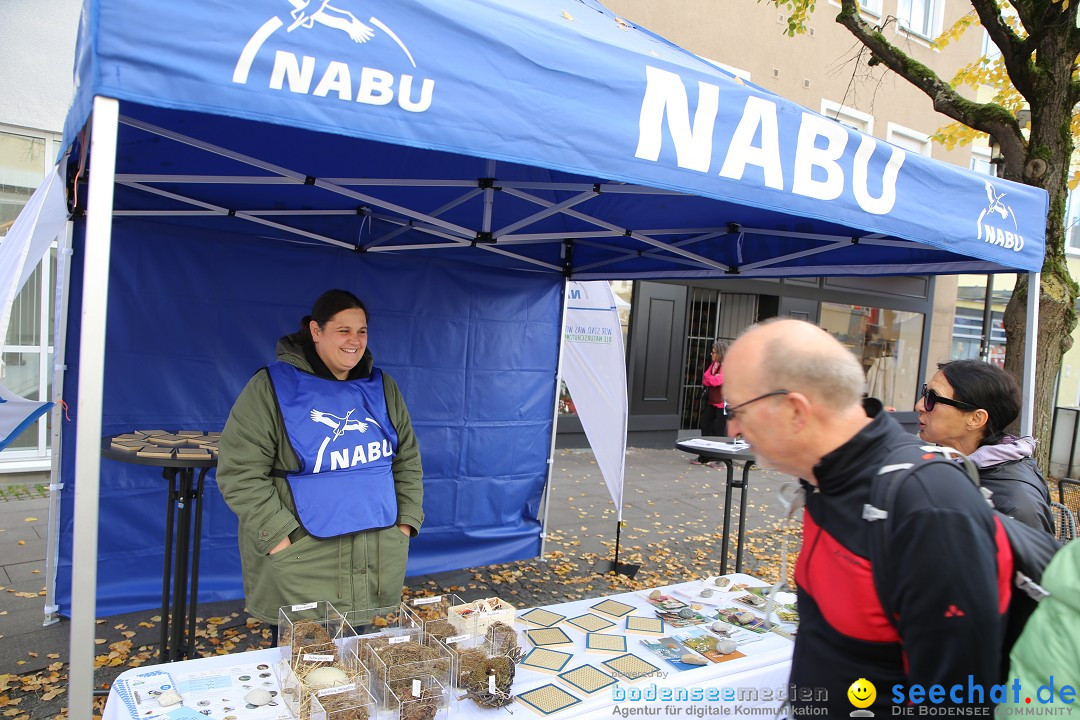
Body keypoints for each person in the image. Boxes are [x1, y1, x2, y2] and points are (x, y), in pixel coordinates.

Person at [723, 319, 1007, 717]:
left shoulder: (927, 505)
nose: (732, 426)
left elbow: (960, 702)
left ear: (794, 410)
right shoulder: (828, 477)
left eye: (737, 409)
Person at [217, 289, 424, 631]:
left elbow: (407, 461)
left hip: (375, 554)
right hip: (304, 557)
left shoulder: (382, 388)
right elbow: (240, 472)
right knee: (303, 668)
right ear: (316, 331)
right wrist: (279, 539)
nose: (354, 341)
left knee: (360, 664)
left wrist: (405, 524)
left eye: (362, 331)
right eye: (343, 330)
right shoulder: (271, 387)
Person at [915, 359, 1053, 533]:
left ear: (976, 419)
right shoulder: (940, 461)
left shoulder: (1014, 505)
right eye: (925, 393)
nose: (919, 405)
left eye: (932, 398)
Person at [693, 340, 728, 465]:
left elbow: (718, 381)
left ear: (720, 353)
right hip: (712, 400)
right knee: (705, 425)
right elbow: (705, 377)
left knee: (719, 430)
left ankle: (720, 459)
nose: (711, 354)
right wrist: (711, 379)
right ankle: (704, 455)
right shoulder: (714, 364)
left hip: (723, 403)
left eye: (714, 352)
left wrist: (711, 379)